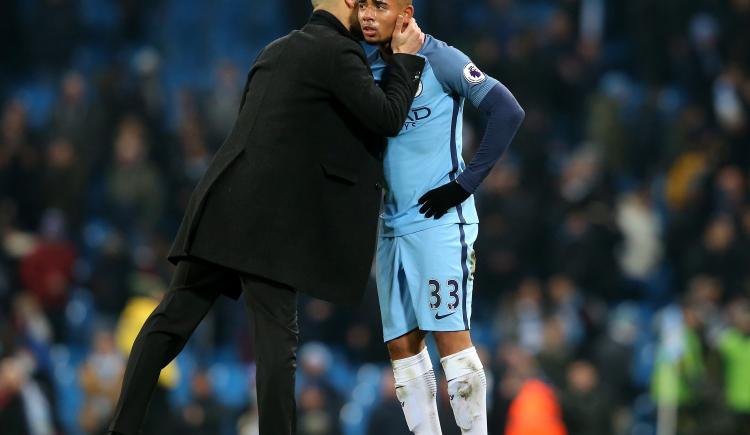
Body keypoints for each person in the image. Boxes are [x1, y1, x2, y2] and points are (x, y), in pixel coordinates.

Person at [107, 0, 426, 434]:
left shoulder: (274, 48)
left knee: (170, 321)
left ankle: (121, 429)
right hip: (267, 223)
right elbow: (387, 117)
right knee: (278, 342)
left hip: (221, 203)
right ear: (348, 3)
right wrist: (405, 60)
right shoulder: (336, 52)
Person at [358, 0, 525, 433]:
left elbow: (507, 110)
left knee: (451, 342)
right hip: (389, 226)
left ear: (406, 10)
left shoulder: (442, 59)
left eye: (379, 5)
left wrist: (464, 184)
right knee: (402, 350)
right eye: (360, 5)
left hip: (438, 221)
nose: (367, 15)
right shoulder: (367, 69)